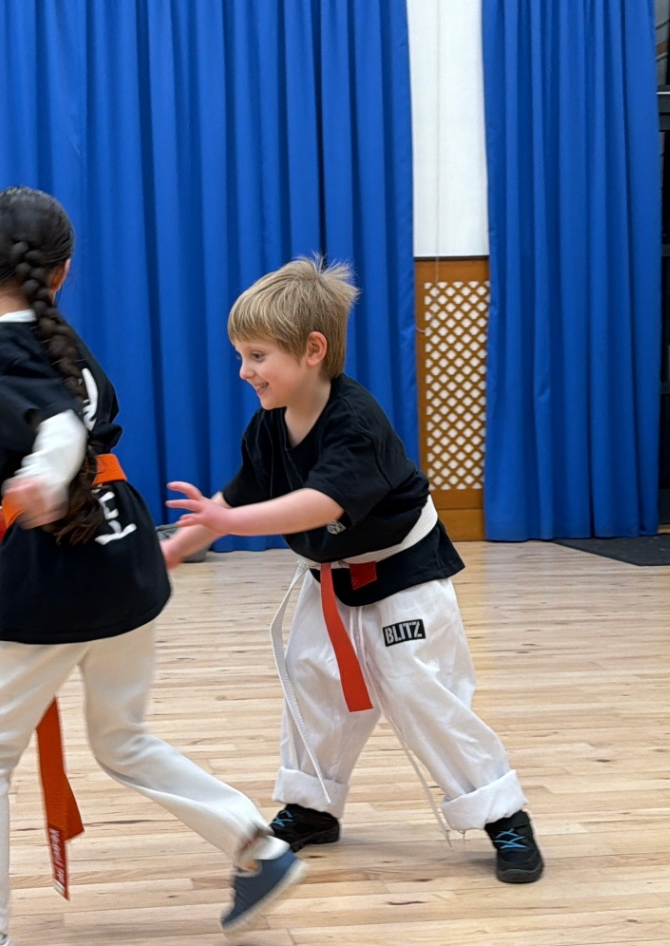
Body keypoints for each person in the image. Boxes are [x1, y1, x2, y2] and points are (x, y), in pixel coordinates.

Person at [0, 187, 305, 946]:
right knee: (122, 739)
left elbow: (63, 434)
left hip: (58, 569)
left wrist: (39, 478)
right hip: (121, 558)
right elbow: (65, 435)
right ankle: (256, 845)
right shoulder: (62, 339)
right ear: (62, 273)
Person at [162, 257, 544, 884]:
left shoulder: (354, 421)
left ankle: (503, 814)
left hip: (405, 575)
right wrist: (173, 551)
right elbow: (232, 499)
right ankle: (313, 807)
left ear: (312, 350)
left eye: (257, 356)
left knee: (420, 690)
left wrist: (229, 523)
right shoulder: (266, 429)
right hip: (332, 578)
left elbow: (319, 504)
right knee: (313, 682)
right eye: (241, 355)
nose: (244, 371)